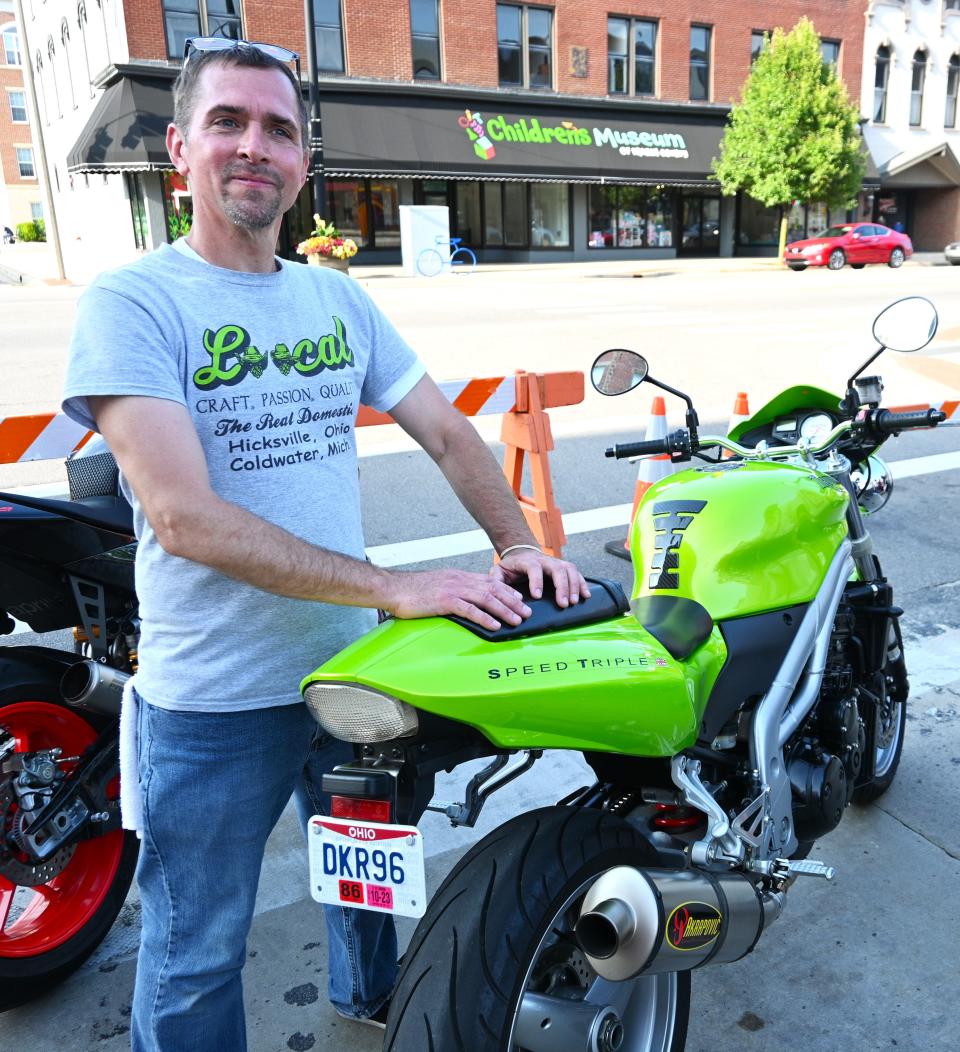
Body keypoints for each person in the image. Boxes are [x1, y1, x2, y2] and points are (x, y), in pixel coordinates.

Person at [60, 37, 589, 1052]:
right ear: (180, 148)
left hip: (349, 681)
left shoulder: (334, 297)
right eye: (228, 122)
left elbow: (443, 427)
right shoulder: (136, 302)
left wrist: (516, 540)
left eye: (278, 128)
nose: (254, 146)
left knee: (363, 886)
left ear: (304, 158)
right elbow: (182, 515)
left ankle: (367, 1003)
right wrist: (393, 587)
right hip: (213, 705)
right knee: (195, 950)